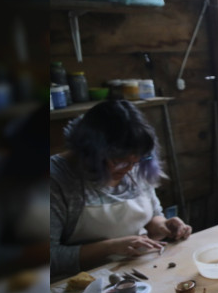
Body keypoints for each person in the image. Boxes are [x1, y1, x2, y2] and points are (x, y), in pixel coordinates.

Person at [50, 100, 191, 280]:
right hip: (83, 284)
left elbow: (152, 216)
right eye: (119, 161)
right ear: (90, 153)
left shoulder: (133, 163)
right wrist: (110, 247)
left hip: (140, 269)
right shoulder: (56, 179)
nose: (129, 168)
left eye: (136, 161)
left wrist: (162, 225)